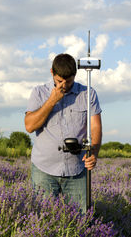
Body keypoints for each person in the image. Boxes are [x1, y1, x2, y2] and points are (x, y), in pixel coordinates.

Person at [24, 53, 102, 213]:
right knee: (42, 219)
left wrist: (94, 152)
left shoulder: (88, 94)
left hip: (77, 169)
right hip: (44, 169)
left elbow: (95, 127)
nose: (64, 85)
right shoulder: (39, 92)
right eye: (60, 81)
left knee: (80, 219)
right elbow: (30, 126)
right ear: (52, 72)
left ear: (75, 75)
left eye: (69, 81)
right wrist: (52, 100)